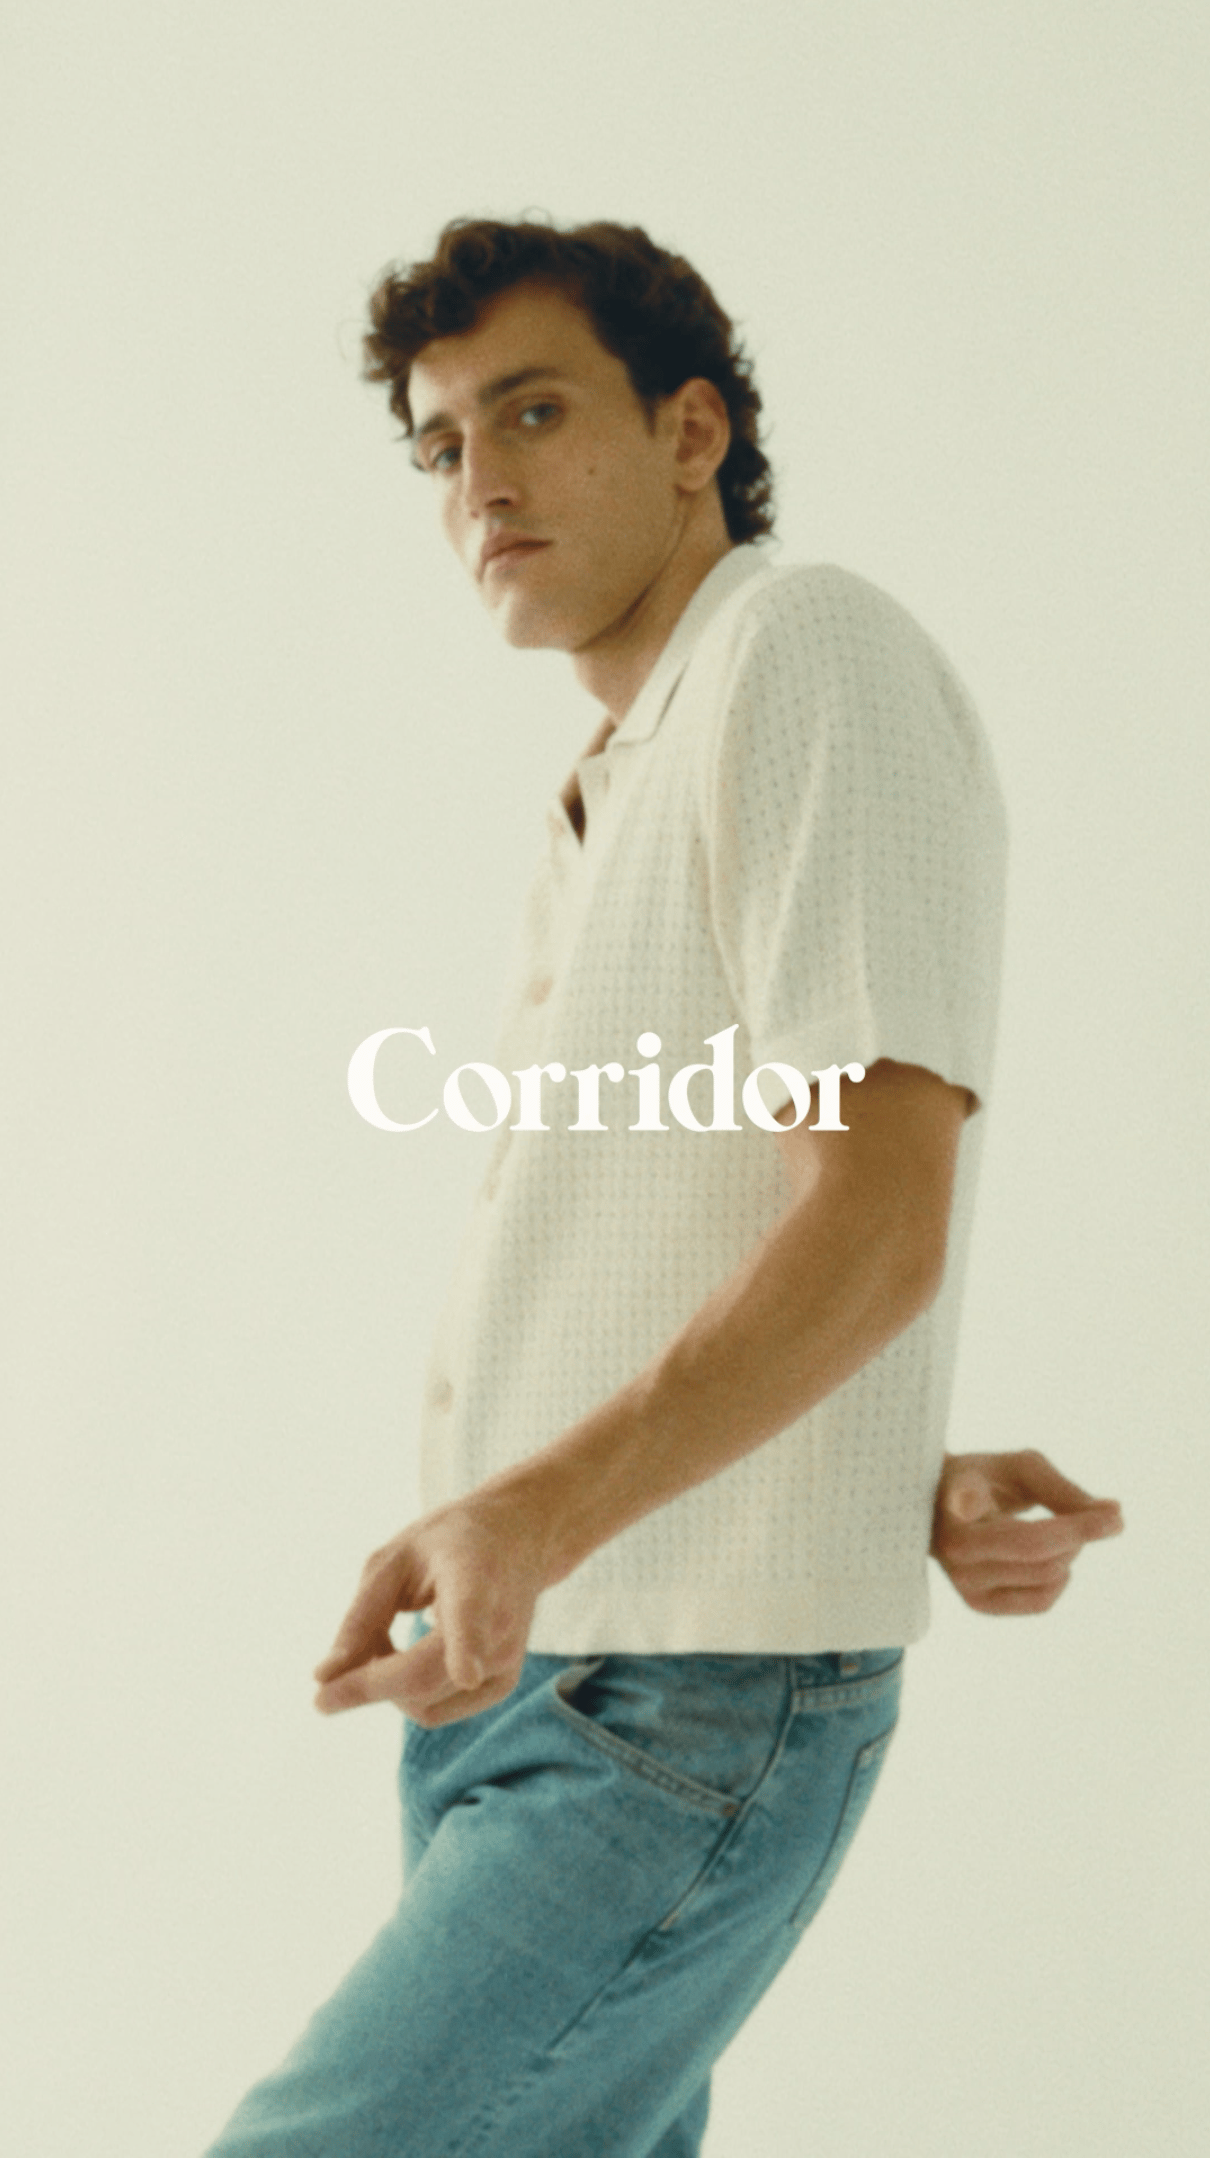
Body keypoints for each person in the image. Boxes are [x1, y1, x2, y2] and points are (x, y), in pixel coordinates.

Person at [203, 217, 1123, 2158]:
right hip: (544, 1673)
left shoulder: (803, 651)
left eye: (533, 411)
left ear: (691, 431)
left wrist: (530, 1508)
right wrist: (885, 1463)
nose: (480, 479)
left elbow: (875, 1213)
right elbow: (739, 1222)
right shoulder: (620, 770)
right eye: (441, 443)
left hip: (674, 1695)